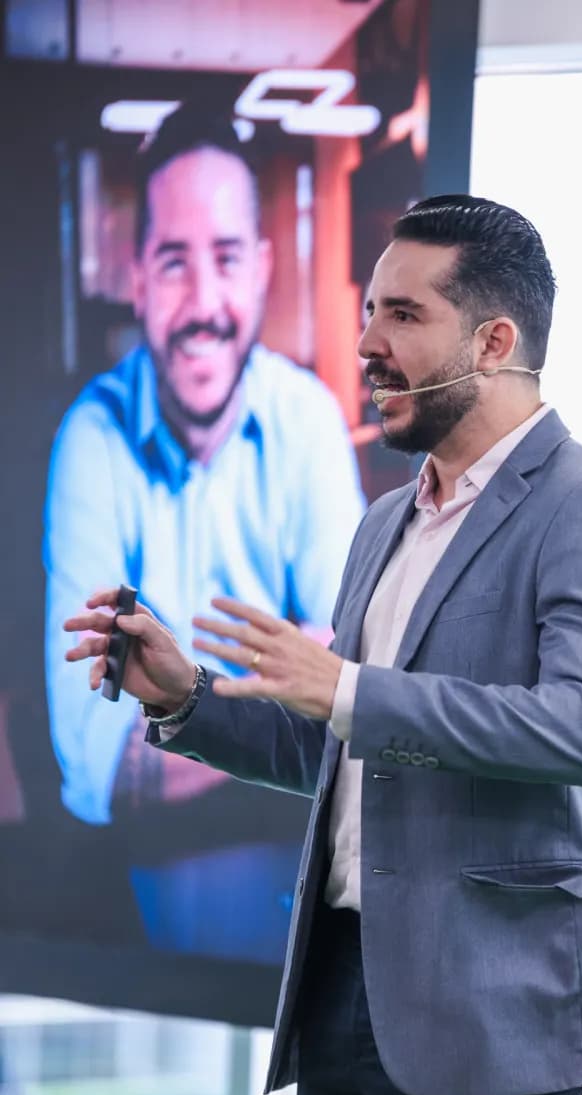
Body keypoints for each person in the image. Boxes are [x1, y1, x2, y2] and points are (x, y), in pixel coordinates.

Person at [64, 195, 582, 1095]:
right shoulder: (384, 523)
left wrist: (346, 686)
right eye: (368, 313)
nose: (366, 344)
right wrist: (186, 698)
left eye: (402, 314)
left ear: (494, 342)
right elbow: (342, 743)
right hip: (342, 996)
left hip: (487, 1023)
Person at [45, 103, 365, 960]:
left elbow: (356, 690)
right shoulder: (92, 438)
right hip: (134, 922)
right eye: (173, 263)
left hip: (306, 913)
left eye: (225, 259)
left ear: (261, 271)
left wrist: (174, 700)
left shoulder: (307, 421)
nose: (203, 304)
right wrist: (287, 676)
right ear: (137, 279)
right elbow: (93, 766)